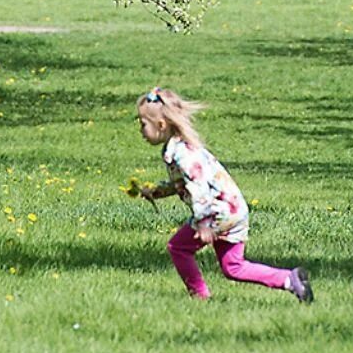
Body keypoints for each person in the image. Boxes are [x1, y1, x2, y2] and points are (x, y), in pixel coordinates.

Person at [131, 86, 314, 303]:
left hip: (217, 212)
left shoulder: (183, 154)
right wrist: (156, 192)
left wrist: (204, 223)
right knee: (233, 267)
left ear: (161, 125)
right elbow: (182, 183)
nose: (140, 130)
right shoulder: (179, 148)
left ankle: (199, 297)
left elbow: (199, 187)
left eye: (143, 124)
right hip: (233, 210)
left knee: (178, 248)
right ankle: (289, 279)